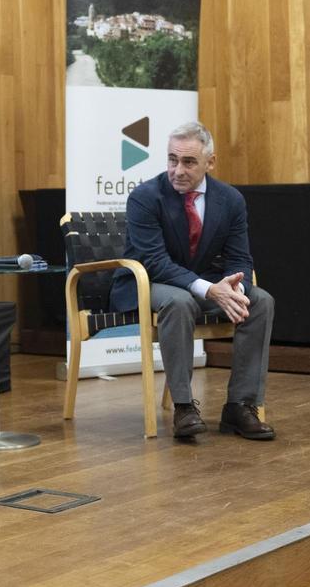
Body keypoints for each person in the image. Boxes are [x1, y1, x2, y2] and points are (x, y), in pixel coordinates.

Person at [110, 121, 275, 441]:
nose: (178, 170)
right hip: (149, 280)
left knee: (260, 301)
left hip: (202, 282)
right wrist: (210, 289)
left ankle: (240, 406)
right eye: (172, 160)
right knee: (179, 300)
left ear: (209, 162)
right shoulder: (145, 197)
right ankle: (184, 407)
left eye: (188, 162)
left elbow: (240, 257)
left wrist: (234, 289)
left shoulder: (230, 200)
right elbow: (155, 262)